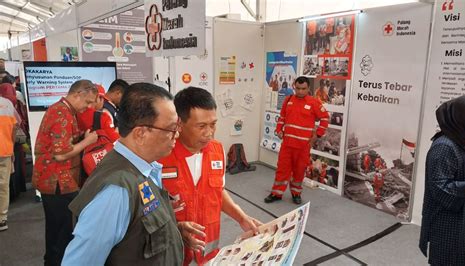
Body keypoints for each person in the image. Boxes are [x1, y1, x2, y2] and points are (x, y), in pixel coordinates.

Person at [63, 83, 184, 265]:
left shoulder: (143, 169)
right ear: (141, 133)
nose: (177, 135)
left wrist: (173, 233)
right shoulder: (116, 191)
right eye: (171, 129)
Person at [159, 87, 262, 265]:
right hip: (173, 248)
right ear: (179, 125)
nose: (209, 132)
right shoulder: (160, 155)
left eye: (213, 124)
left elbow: (217, 191)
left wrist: (241, 217)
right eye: (201, 126)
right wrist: (177, 230)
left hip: (208, 247)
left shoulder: (217, 150)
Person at [32, 80, 98, 266]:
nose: (89, 107)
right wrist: (88, 141)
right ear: (77, 94)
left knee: (57, 232)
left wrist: (80, 138)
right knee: (61, 235)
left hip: (58, 181)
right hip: (58, 182)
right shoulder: (62, 113)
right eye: (87, 102)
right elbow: (60, 155)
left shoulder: (64, 110)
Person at [419, 95, 465, 265]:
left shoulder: (460, 141)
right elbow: (440, 189)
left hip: (460, 220)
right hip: (447, 224)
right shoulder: (444, 146)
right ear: (463, 118)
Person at [265, 76, 329, 204]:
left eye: (303, 89)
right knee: (282, 170)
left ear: (308, 88)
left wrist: (318, 134)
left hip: (303, 147)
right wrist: (279, 130)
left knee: (299, 172)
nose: (300, 91)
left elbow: (325, 118)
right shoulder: (288, 100)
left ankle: (296, 193)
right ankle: (276, 193)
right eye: (298, 88)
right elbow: (282, 117)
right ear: (294, 87)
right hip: (287, 145)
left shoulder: (314, 103)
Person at [0, 86, 18, 232]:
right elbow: (14, 128)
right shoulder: (7, 104)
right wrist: (11, 148)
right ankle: (2, 219)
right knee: (3, 186)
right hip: (5, 150)